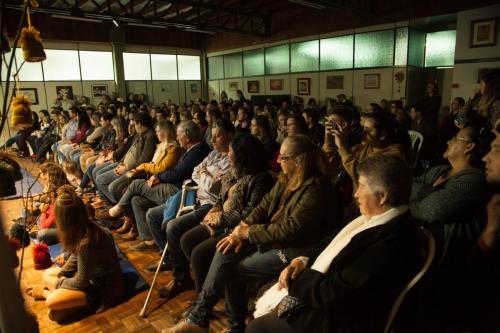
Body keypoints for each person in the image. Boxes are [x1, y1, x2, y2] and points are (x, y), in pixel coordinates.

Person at [163, 134, 343, 333]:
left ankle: (217, 322)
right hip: (273, 238)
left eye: (283, 158)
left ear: (298, 160)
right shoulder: (287, 178)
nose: (277, 161)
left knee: (234, 269)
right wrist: (240, 230)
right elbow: (263, 207)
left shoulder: (318, 188)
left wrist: (249, 232)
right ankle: (206, 319)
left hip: (296, 250)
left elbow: (291, 229)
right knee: (227, 247)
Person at [246, 155, 420, 333]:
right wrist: (301, 261)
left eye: (361, 186)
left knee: (256, 328)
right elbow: (327, 244)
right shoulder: (373, 218)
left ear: (382, 196)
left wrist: (295, 281)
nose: (356, 193)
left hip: (339, 318)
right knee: (264, 291)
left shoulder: (391, 241)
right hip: (328, 296)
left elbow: (335, 293)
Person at [25, 185, 124, 322]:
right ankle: (66, 299)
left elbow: (81, 280)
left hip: (102, 289)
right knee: (47, 275)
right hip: (89, 279)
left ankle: (47, 293)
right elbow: (74, 257)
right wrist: (62, 274)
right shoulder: (82, 228)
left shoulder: (87, 241)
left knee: (52, 302)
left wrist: (58, 284)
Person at [107, 121, 211, 241]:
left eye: (179, 135)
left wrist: (159, 177)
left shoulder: (197, 151)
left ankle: (118, 209)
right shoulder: (193, 149)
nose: (177, 138)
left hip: (179, 191)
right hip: (173, 185)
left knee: (135, 184)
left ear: (186, 137)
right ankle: (148, 239)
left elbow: (178, 172)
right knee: (137, 200)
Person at [331, 110, 408, 189]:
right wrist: (329, 140)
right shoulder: (365, 147)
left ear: (382, 135)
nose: (362, 133)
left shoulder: (394, 156)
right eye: (363, 128)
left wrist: (341, 147)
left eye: (367, 130)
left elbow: (363, 177)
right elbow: (333, 165)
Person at [94, 112, 157, 205]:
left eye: (134, 124)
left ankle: (118, 208)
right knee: (99, 176)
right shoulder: (141, 134)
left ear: (139, 124)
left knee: (109, 185)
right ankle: (114, 205)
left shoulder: (150, 136)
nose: (133, 127)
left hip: (134, 170)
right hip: (125, 166)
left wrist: (126, 168)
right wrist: (121, 163)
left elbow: (144, 159)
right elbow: (129, 151)